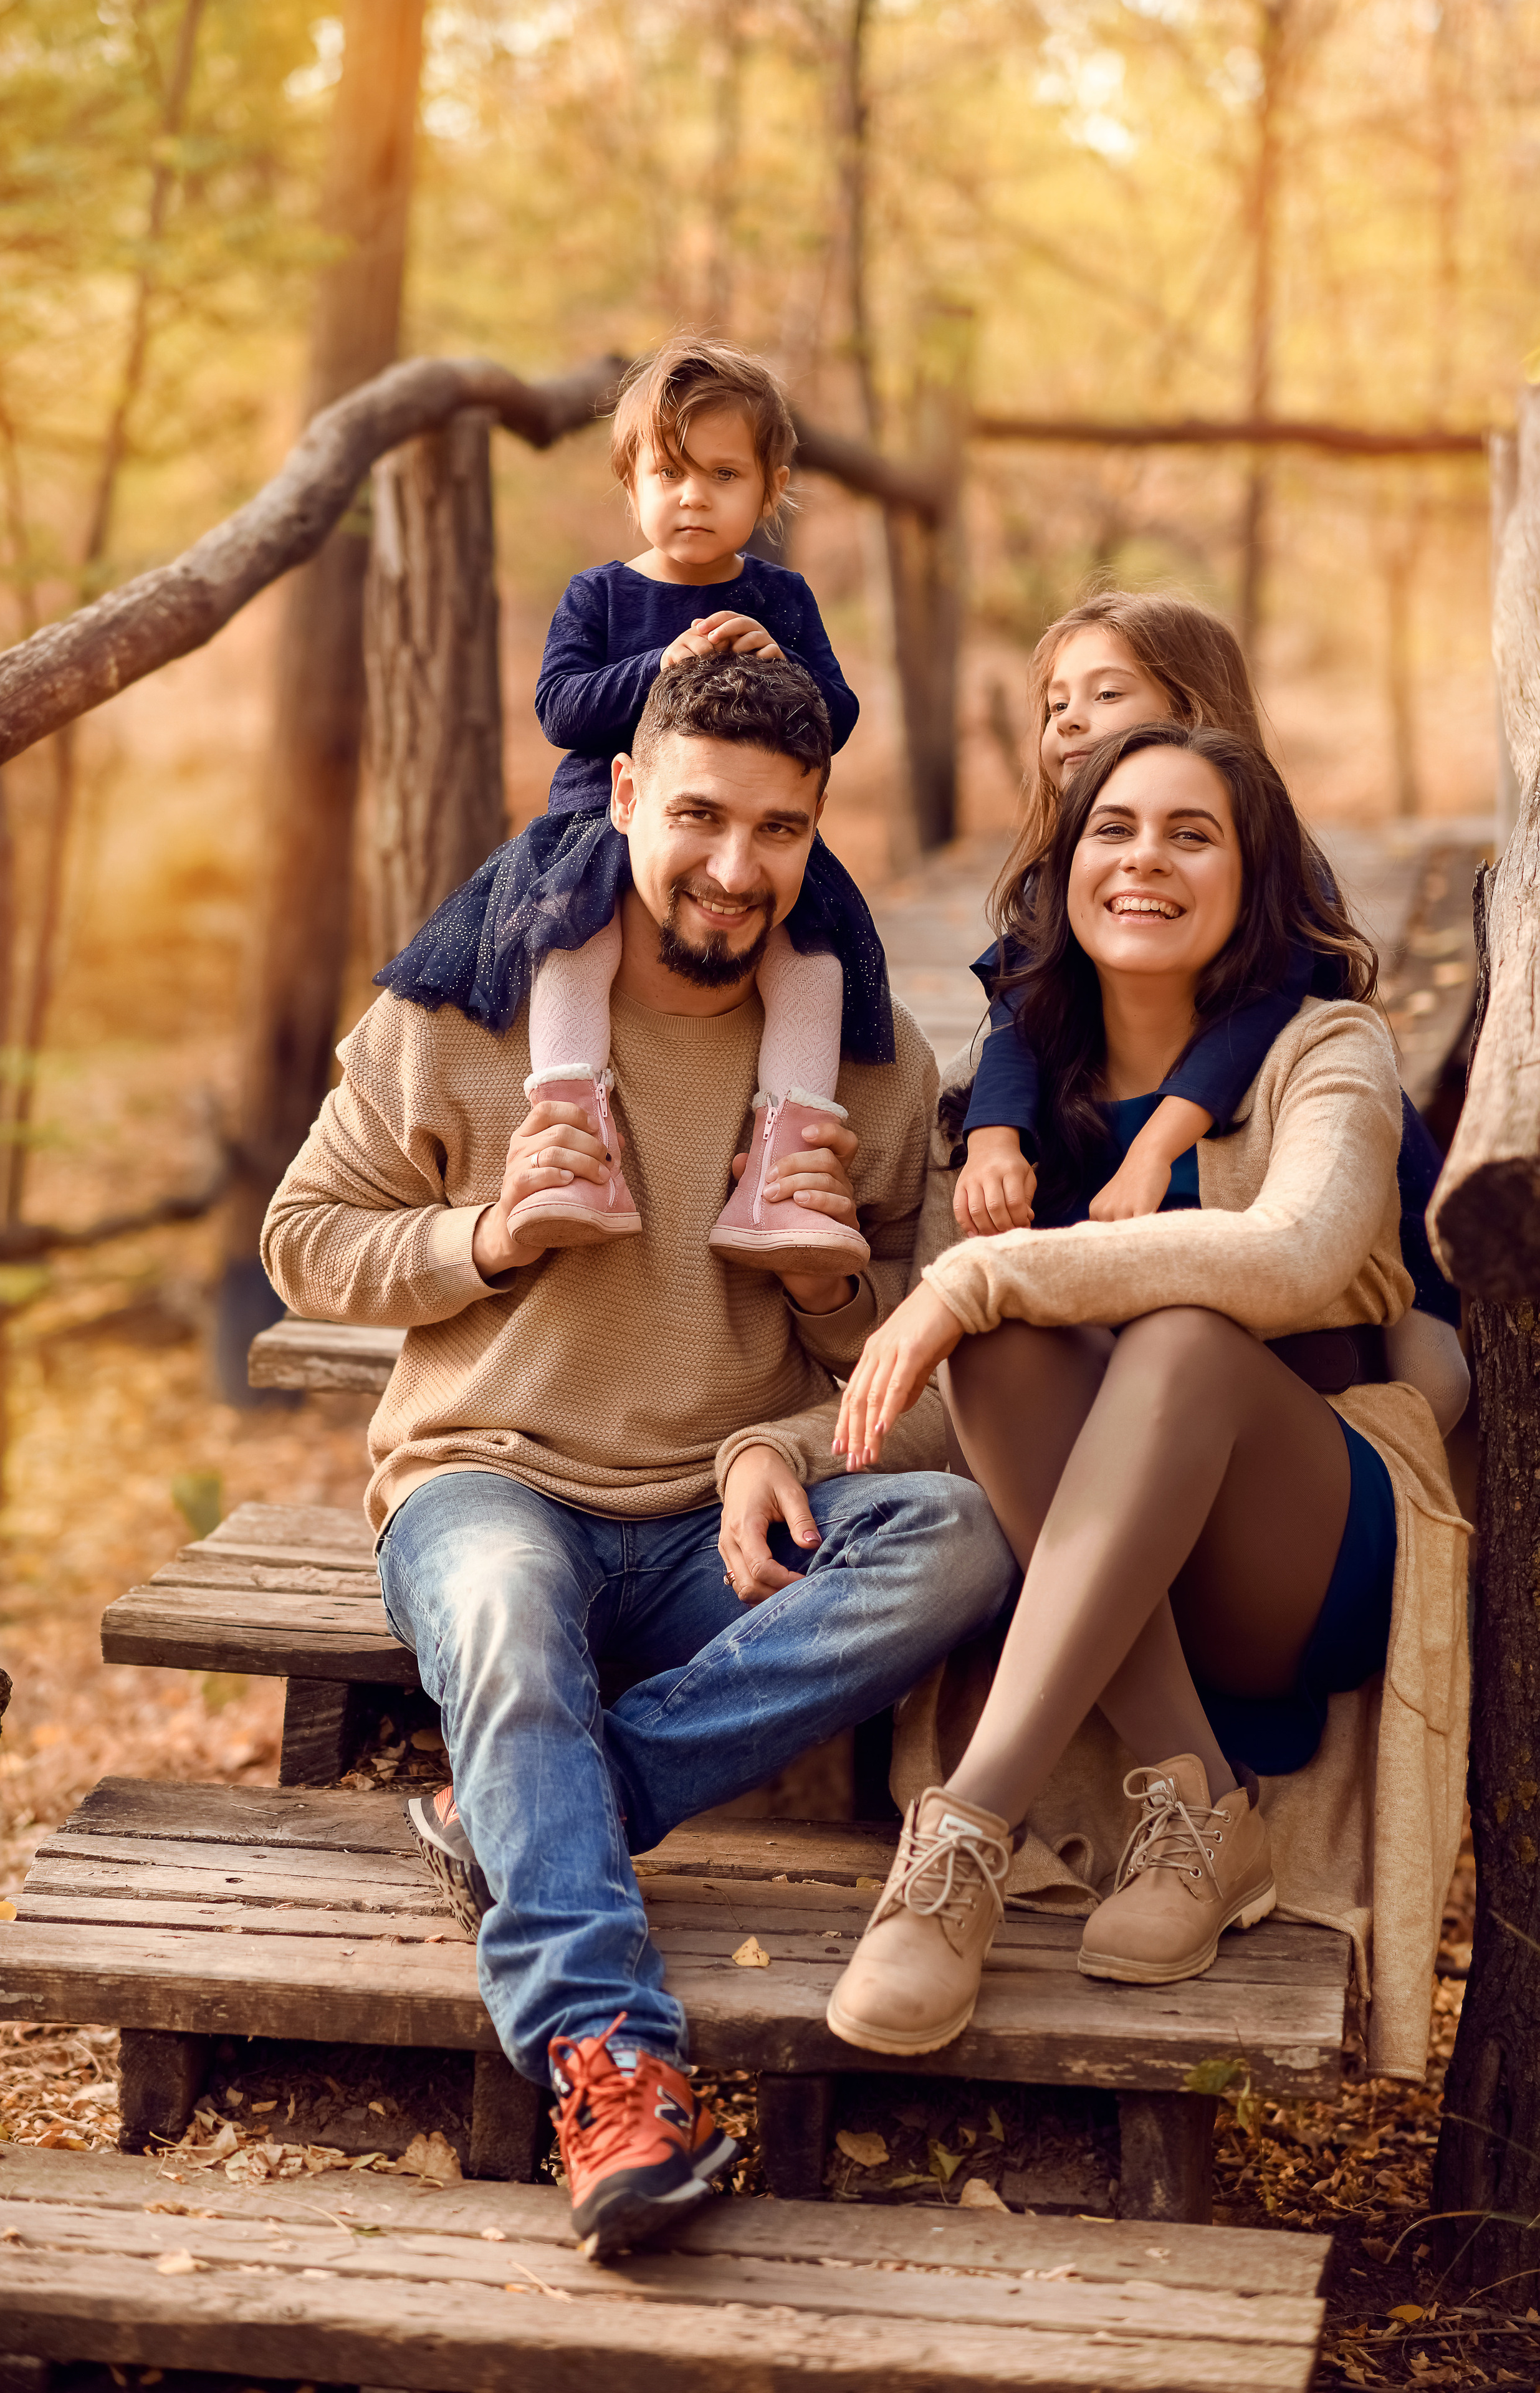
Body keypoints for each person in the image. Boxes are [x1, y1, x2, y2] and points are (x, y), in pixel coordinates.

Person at [262, 652, 1012, 2252]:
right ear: (621, 799)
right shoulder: (460, 1010)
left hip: (710, 1531)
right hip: (487, 1485)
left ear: (817, 836)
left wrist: (808, 1354)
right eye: (698, 817)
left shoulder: (867, 1068)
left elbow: (918, 1357)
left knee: (956, 1535)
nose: (735, 870)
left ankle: (522, 1816)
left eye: (779, 831)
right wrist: (483, 1234)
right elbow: (302, 1240)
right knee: (511, 1629)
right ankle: (612, 2067)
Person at [820, 719, 1465, 2057]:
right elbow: (957, 1361)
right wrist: (775, 1443)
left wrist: (980, 1281)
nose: (1143, 861)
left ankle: (962, 1838)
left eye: (1191, 834)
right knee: (997, 1334)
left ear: (1251, 878)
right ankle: (1194, 1812)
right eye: (1112, 830)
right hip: (1109, 1545)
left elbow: (1293, 1258)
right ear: (1064, 868)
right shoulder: (1011, 1095)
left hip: (1300, 1531)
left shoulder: (1322, 1048)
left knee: (1171, 1332)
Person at [374, 333, 889, 1283]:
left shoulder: (781, 598)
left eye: (724, 475)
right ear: (632, 484)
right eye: (669, 473)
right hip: (594, 826)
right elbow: (559, 706)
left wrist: (783, 664)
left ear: (768, 492)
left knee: (812, 965)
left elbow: (839, 719)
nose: (693, 497)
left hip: (732, 835)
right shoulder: (602, 595)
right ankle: (574, 1134)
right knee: (578, 942)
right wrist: (661, 666)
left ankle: (783, 1160)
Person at [954, 592, 1466, 1436]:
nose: (1073, 721)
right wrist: (994, 1139)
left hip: (1320, 1132)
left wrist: (1155, 1147)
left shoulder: (1271, 866)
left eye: (1106, 695)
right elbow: (1022, 1012)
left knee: (1430, 1380)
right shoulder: (1062, 879)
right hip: (1154, 1139)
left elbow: (1252, 1019)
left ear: (1189, 712)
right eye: (1056, 705)